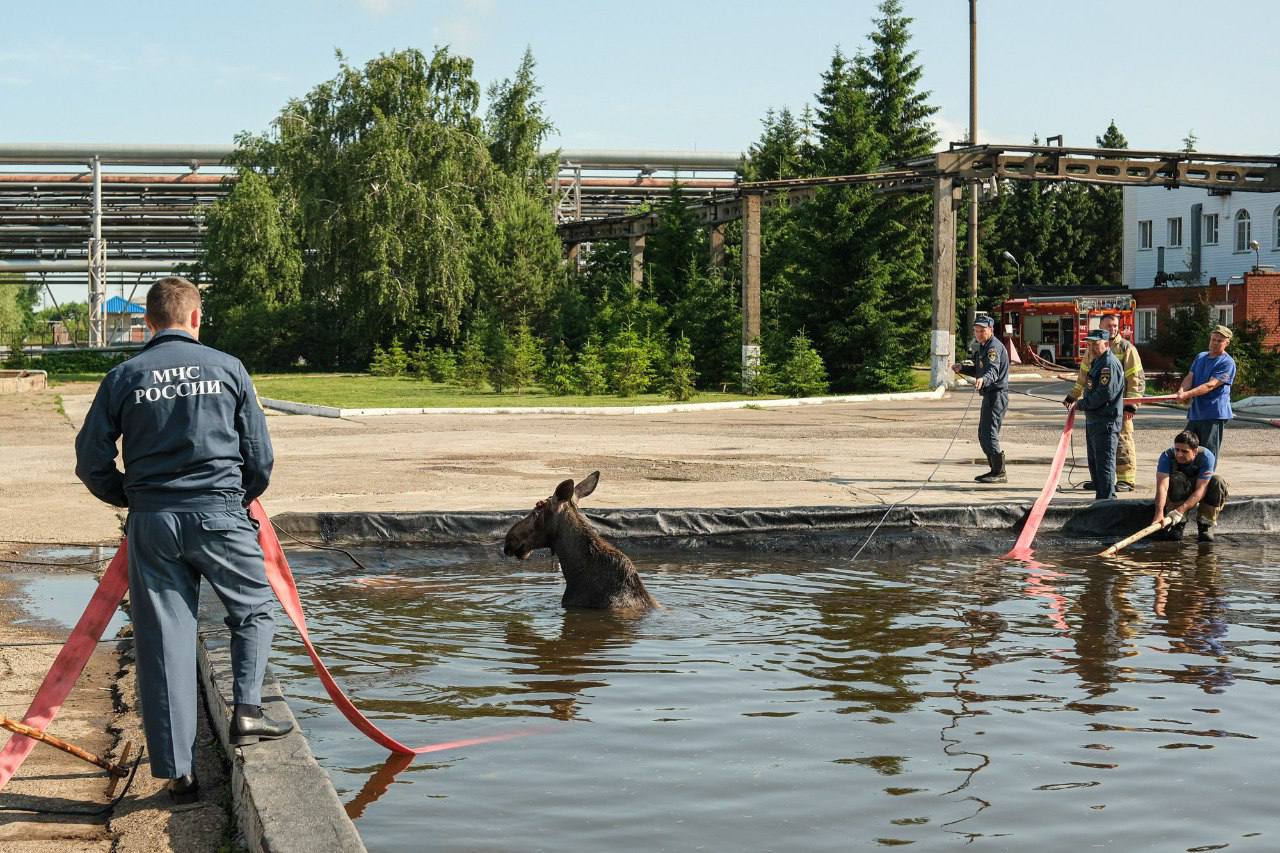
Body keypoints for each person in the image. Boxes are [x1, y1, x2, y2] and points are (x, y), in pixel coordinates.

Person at [74, 277, 292, 804]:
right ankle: (247, 711)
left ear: (147, 323)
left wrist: (131, 496)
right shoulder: (228, 368)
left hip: (152, 520)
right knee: (256, 608)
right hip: (218, 512)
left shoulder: (123, 376)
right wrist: (240, 497)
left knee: (165, 638)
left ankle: (179, 774)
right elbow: (259, 456)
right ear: (197, 318)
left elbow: (90, 458)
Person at [1064, 313, 1146, 491]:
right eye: (1109, 326)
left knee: (1123, 442)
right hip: (1096, 410)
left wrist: (1132, 404)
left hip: (1119, 407)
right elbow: (1083, 376)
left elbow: (1136, 379)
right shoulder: (1092, 349)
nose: (1113, 329)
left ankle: (1126, 480)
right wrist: (1073, 395)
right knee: (1096, 446)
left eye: (1115, 325)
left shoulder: (1126, 348)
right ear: (1100, 327)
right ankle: (1099, 480)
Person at [952, 314, 1010, 483]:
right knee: (983, 434)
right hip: (990, 395)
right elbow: (980, 369)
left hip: (996, 396)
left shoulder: (993, 348)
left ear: (990, 330)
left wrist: (984, 380)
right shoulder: (984, 346)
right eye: (976, 330)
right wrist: (962, 368)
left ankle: (999, 473)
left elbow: (992, 370)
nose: (978, 334)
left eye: (982, 330)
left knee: (989, 433)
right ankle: (995, 470)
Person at [1152, 429, 1229, 543]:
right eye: (1177, 450)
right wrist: (1159, 513)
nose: (1179, 454)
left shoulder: (1206, 457)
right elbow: (1162, 487)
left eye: (1184, 451)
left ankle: (1205, 524)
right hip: (1179, 488)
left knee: (1217, 481)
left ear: (1195, 451)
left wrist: (1180, 510)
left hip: (1199, 488)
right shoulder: (1167, 456)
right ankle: (1178, 524)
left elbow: (1201, 489)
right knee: (1178, 478)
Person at [1074, 328, 1124, 501]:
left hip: (1106, 422)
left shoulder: (1108, 364)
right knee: (1095, 464)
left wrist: (1081, 404)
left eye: (1095, 344)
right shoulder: (1097, 361)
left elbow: (1105, 393)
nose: (1092, 348)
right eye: (1089, 344)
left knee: (1104, 466)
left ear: (1106, 343)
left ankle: (1107, 502)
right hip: (1094, 421)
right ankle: (1101, 499)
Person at [1178, 324, 1236, 461]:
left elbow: (1210, 385)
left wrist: (1187, 395)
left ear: (1226, 343)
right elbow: (1190, 376)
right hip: (1196, 412)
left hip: (1213, 413)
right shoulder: (1201, 357)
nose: (1215, 343)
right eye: (1213, 339)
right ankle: (1189, 479)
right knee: (1185, 447)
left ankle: (1206, 480)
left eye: (1220, 341)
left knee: (1207, 453)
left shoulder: (1227, 363)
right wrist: (1182, 390)